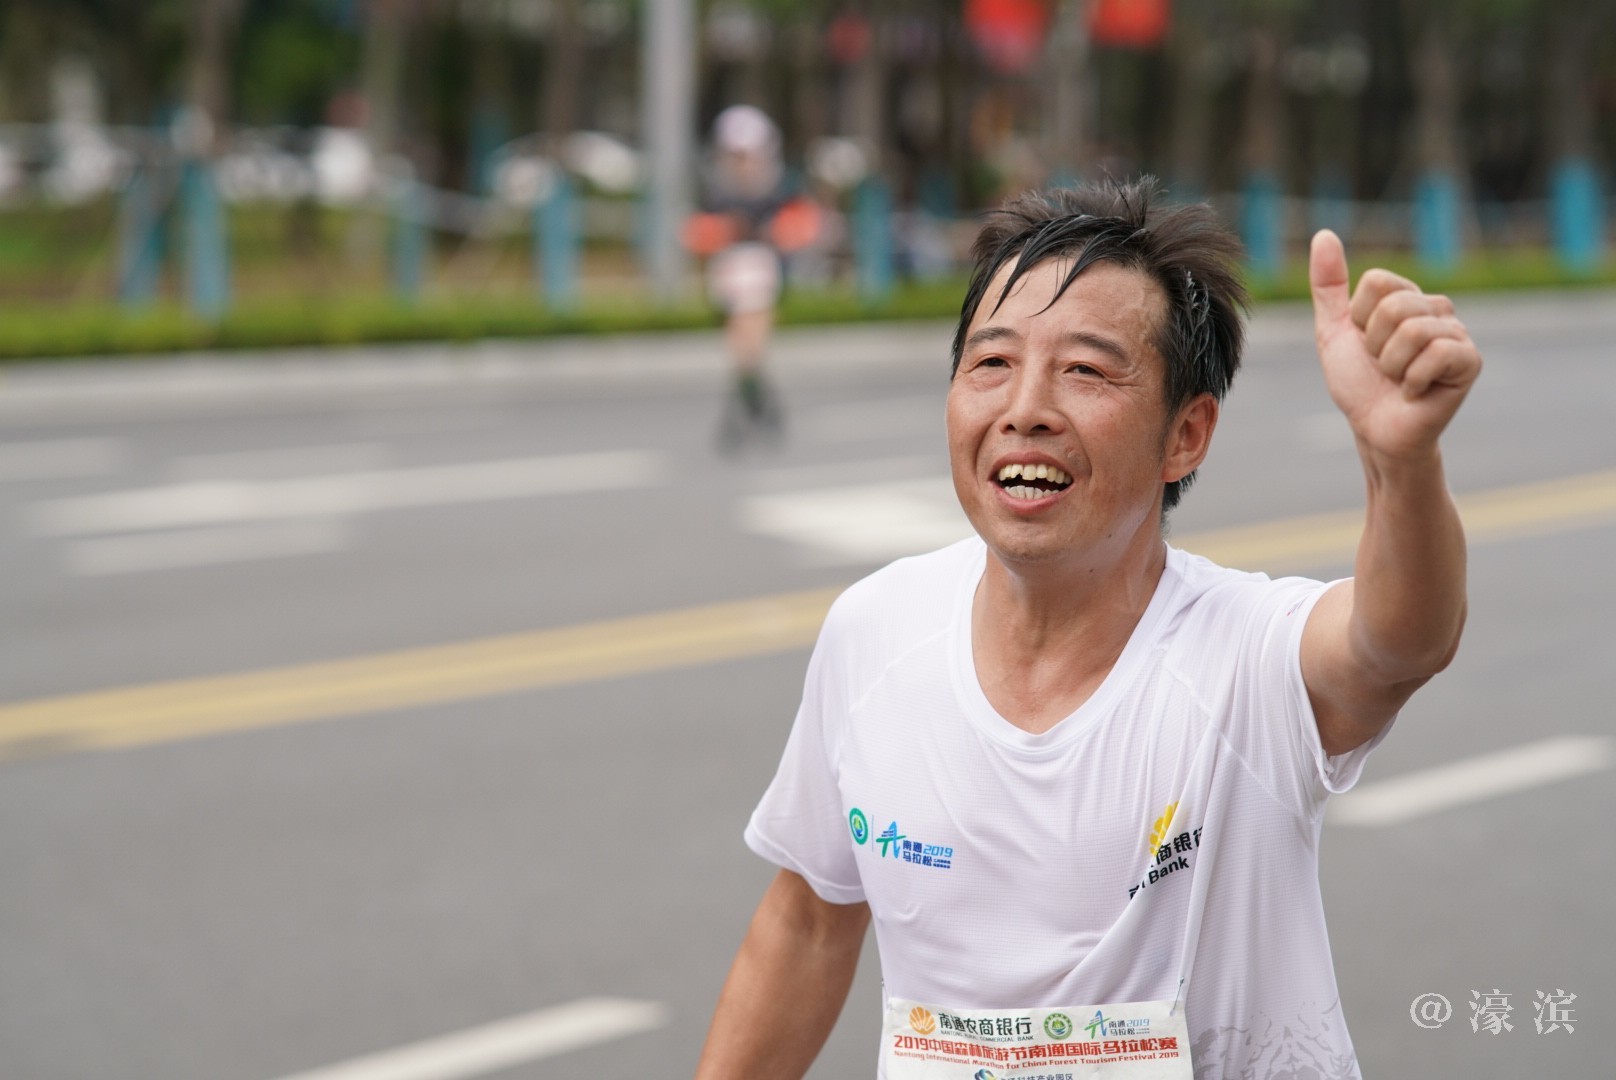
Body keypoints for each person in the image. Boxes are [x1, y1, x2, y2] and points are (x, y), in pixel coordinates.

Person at [695, 177, 1481, 1079]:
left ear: (1186, 435)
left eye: (1086, 370)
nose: (1024, 407)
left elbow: (1400, 639)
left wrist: (1402, 461)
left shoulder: (1248, 655)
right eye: (991, 363)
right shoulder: (874, 632)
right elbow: (807, 923)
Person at [684, 104, 821, 451]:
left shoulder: (778, 190)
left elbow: (801, 226)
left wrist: (772, 233)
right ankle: (760, 407)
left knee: (750, 344)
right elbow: (697, 232)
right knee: (742, 348)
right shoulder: (717, 192)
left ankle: (744, 414)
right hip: (729, 270)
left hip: (760, 269)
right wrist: (724, 231)